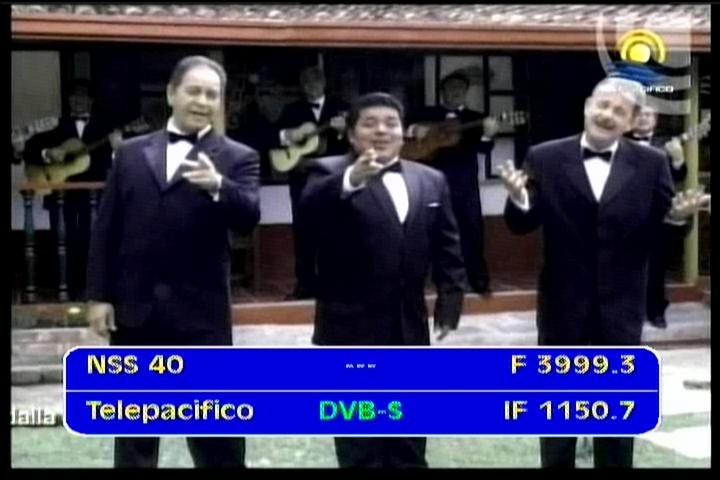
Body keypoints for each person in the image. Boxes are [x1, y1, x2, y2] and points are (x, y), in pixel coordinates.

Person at [498, 77, 708, 468]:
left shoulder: (651, 163)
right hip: (561, 308)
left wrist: (677, 219)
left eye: (619, 111)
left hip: (621, 310)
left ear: (631, 121)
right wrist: (518, 198)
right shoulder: (544, 157)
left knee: (615, 423)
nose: (608, 114)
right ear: (587, 106)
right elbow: (521, 224)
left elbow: (662, 234)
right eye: (603, 105)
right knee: (558, 419)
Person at [86, 55, 260, 468]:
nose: (202, 101)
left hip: (201, 315)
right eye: (193, 91)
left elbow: (249, 216)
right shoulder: (130, 154)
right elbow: (107, 228)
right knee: (135, 435)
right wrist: (98, 296)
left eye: (212, 95)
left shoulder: (238, 156)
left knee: (216, 435)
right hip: (136, 312)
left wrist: (219, 186)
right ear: (171, 94)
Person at [299, 92, 466, 467]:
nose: (381, 130)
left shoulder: (431, 179)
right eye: (370, 123)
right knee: (360, 443)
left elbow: (447, 245)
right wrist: (351, 181)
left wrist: (450, 300)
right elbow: (309, 218)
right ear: (351, 135)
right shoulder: (326, 172)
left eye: (391, 123)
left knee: (409, 437)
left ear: (403, 132)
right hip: (348, 329)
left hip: (409, 326)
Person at [23, 80, 123, 300]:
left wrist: (117, 148)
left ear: (91, 101)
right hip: (60, 195)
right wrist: (47, 153)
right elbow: (29, 149)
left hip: (93, 197)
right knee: (63, 242)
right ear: (68, 101)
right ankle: (64, 288)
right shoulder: (55, 125)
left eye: (83, 97)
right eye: (74, 97)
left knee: (92, 241)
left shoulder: (105, 127)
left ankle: (90, 289)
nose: (78, 101)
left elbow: (117, 163)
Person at [408, 72, 498, 294]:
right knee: (427, 230)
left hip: (464, 183)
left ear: (466, 92)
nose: (456, 92)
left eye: (460, 88)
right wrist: (415, 129)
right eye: (451, 87)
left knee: (471, 231)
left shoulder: (475, 117)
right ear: (443, 92)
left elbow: (484, 149)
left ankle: (476, 279)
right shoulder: (426, 113)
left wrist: (488, 135)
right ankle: (424, 279)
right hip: (429, 181)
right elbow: (404, 128)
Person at [275, 66, 349, 299]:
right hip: (302, 176)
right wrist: (289, 135)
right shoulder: (292, 110)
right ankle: (305, 284)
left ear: (324, 83)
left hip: (333, 177)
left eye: (315, 81)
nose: (311, 86)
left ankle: (335, 283)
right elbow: (274, 136)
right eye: (306, 82)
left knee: (336, 229)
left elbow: (356, 137)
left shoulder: (341, 107)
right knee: (303, 230)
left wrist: (344, 130)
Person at [628, 104, 688, 329]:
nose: (644, 118)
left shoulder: (667, 144)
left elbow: (679, 176)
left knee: (656, 266)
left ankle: (655, 312)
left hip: (657, 216)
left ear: (656, 118)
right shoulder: (618, 143)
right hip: (625, 216)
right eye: (639, 115)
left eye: (648, 114)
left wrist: (678, 159)